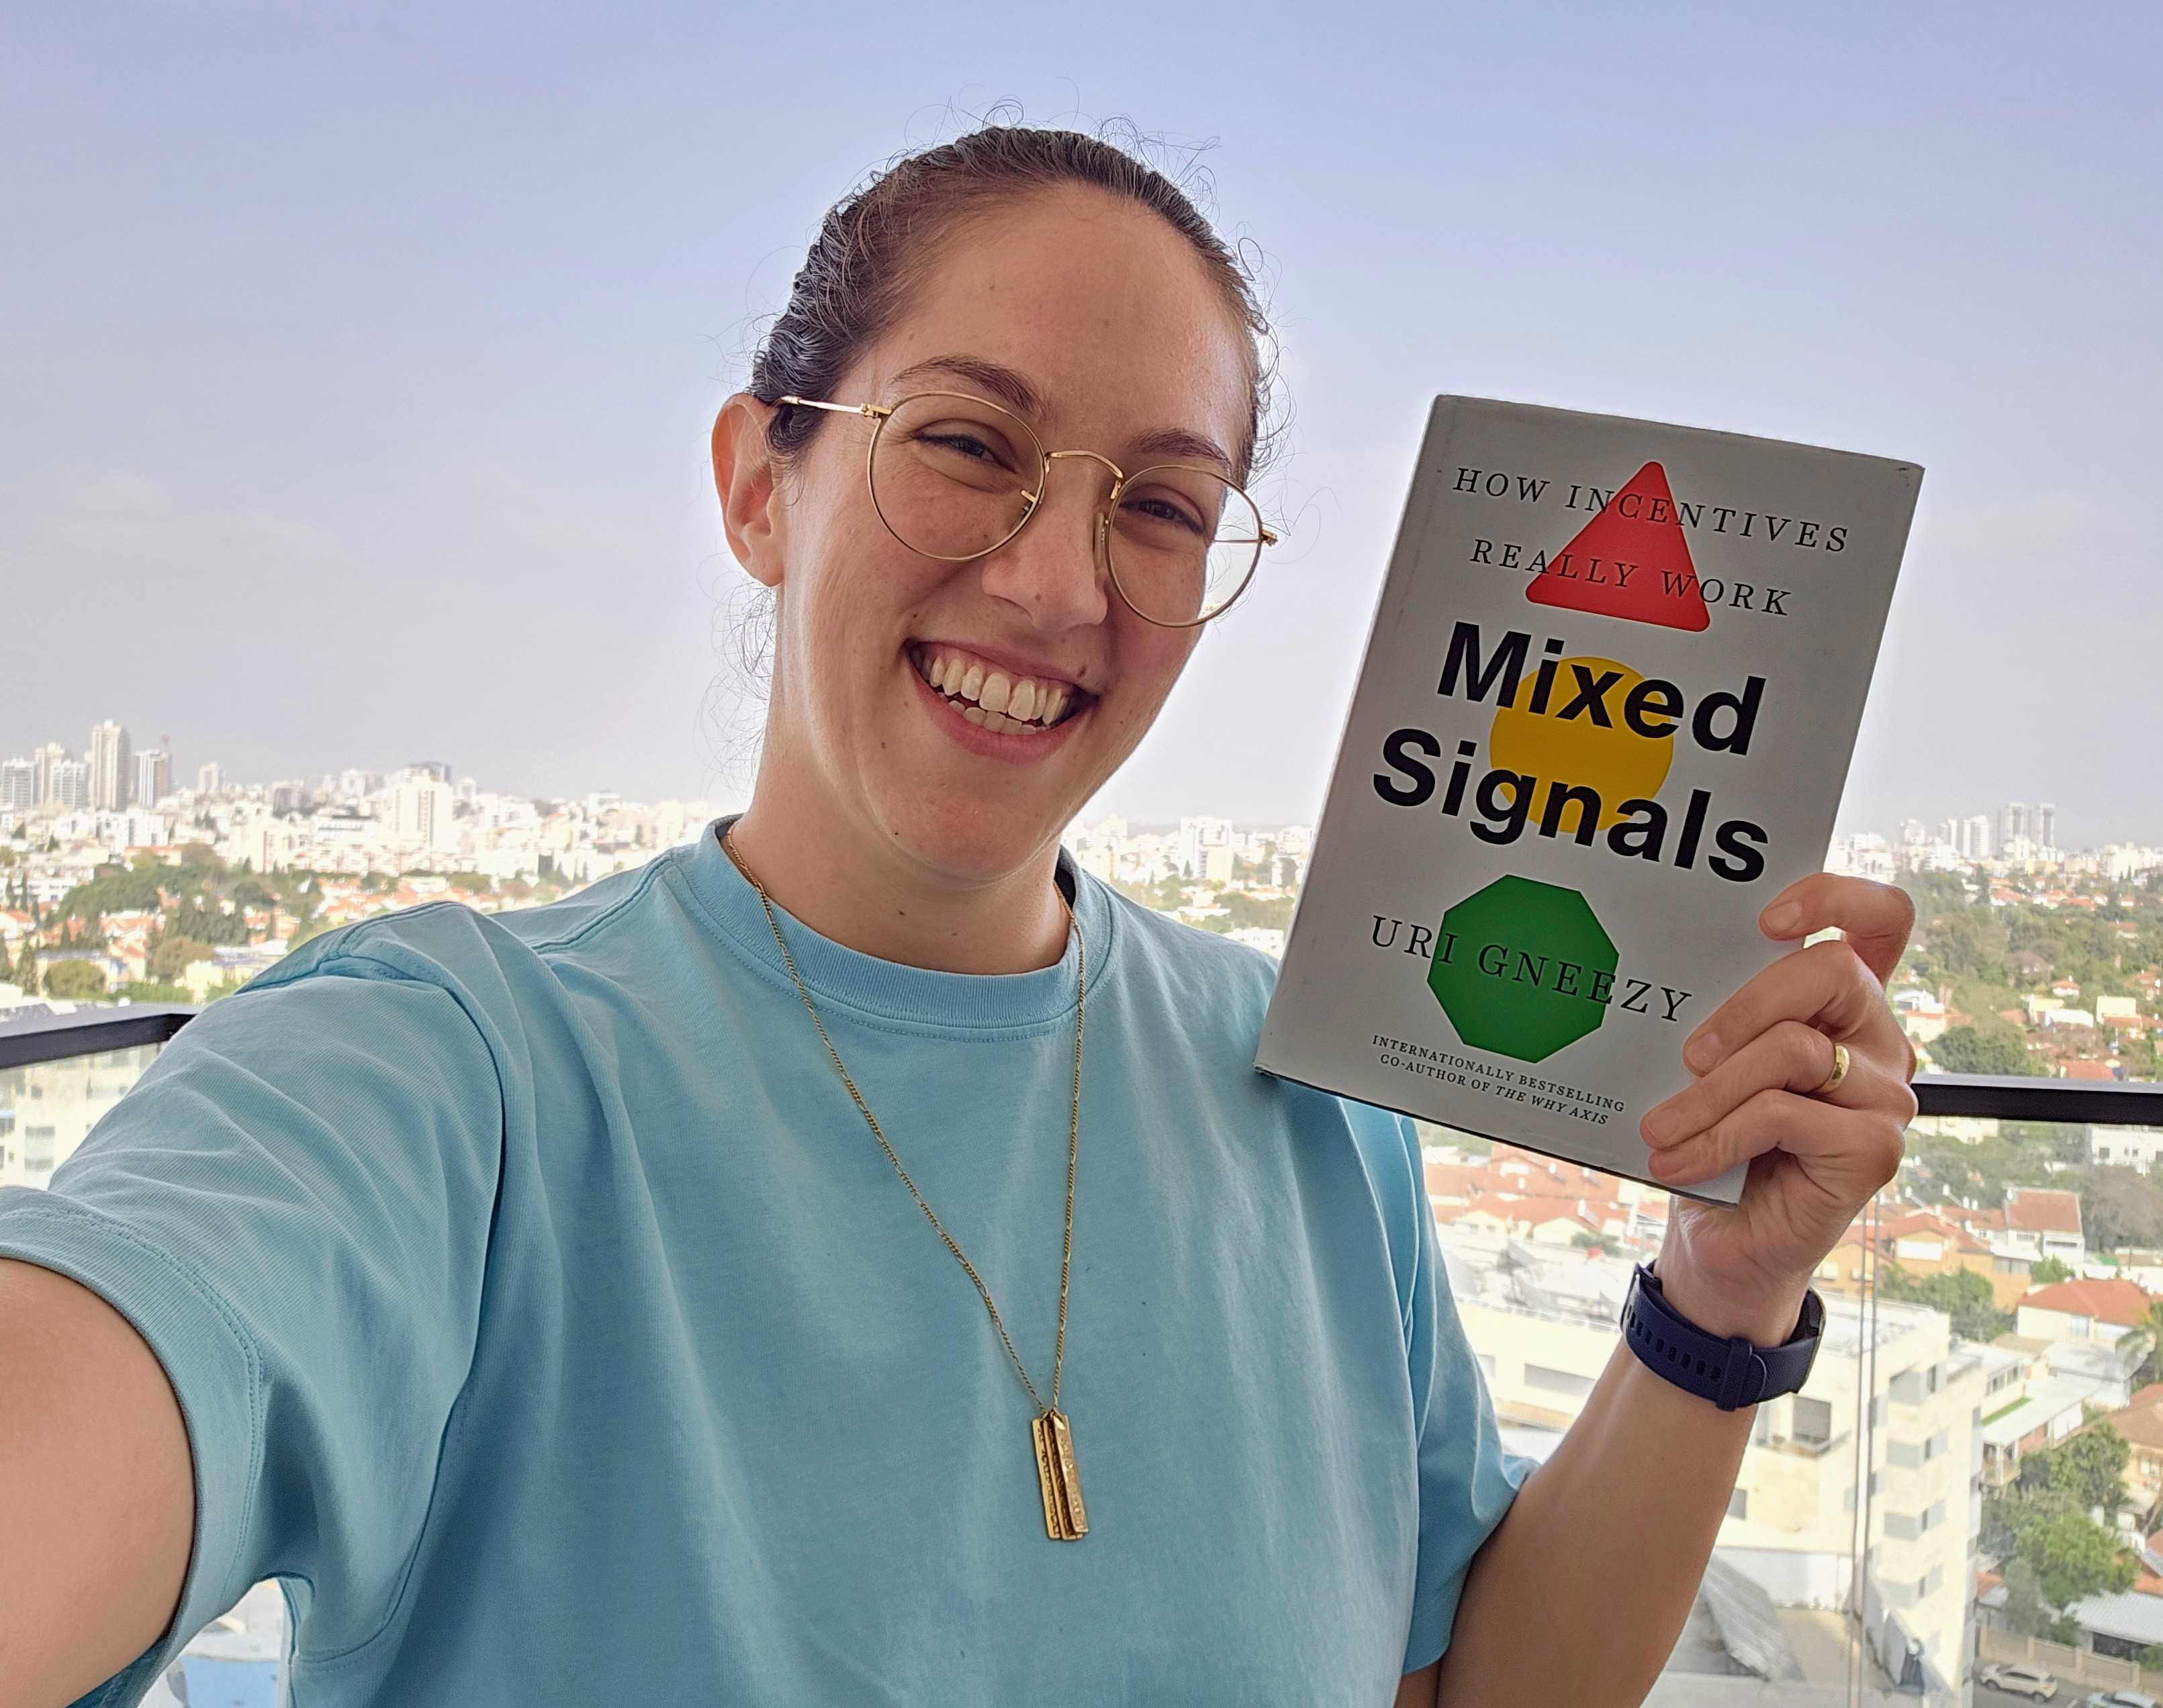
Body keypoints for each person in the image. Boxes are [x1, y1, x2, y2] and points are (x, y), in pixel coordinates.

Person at [0, 124, 1917, 1708]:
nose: (1060, 583)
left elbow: (1464, 1682)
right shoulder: (447, 1071)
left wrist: (1724, 1297)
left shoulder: (1319, 1098)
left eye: (1163, 508)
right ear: (761, 485)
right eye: (969, 444)